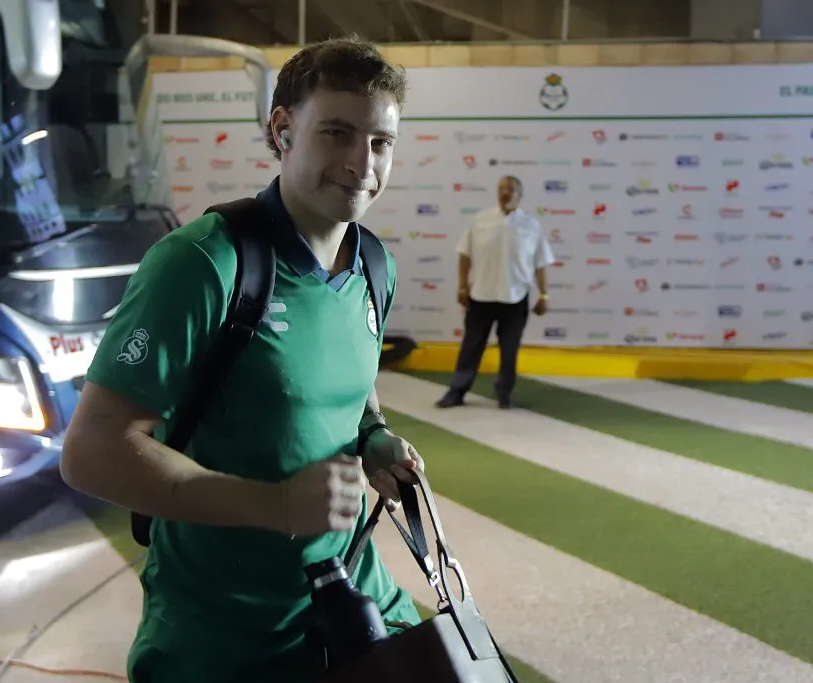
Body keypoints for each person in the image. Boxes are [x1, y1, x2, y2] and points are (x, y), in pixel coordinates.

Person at [61, 36, 425, 683]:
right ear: (282, 130)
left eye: (380, 142)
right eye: (337, 133)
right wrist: (276, 506)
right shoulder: (203, 263)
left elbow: (354, 385)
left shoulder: (374, 264)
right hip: (222, 632)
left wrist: (373, 437)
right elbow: (91, 451)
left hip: (350, 599)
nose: (361, 163)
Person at [435, 175, 554, 410]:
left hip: (515, 298)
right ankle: (456, 392)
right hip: (481, 296)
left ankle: (504, 392)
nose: (505, 193)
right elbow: (464, 254)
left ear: (520, 194)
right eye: (501, 189)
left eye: (510, 189)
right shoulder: (480, 220)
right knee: (470, 348)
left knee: (509, 352)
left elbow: (540, 264)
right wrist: (462, 286)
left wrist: (544, 295)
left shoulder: (531, 225)